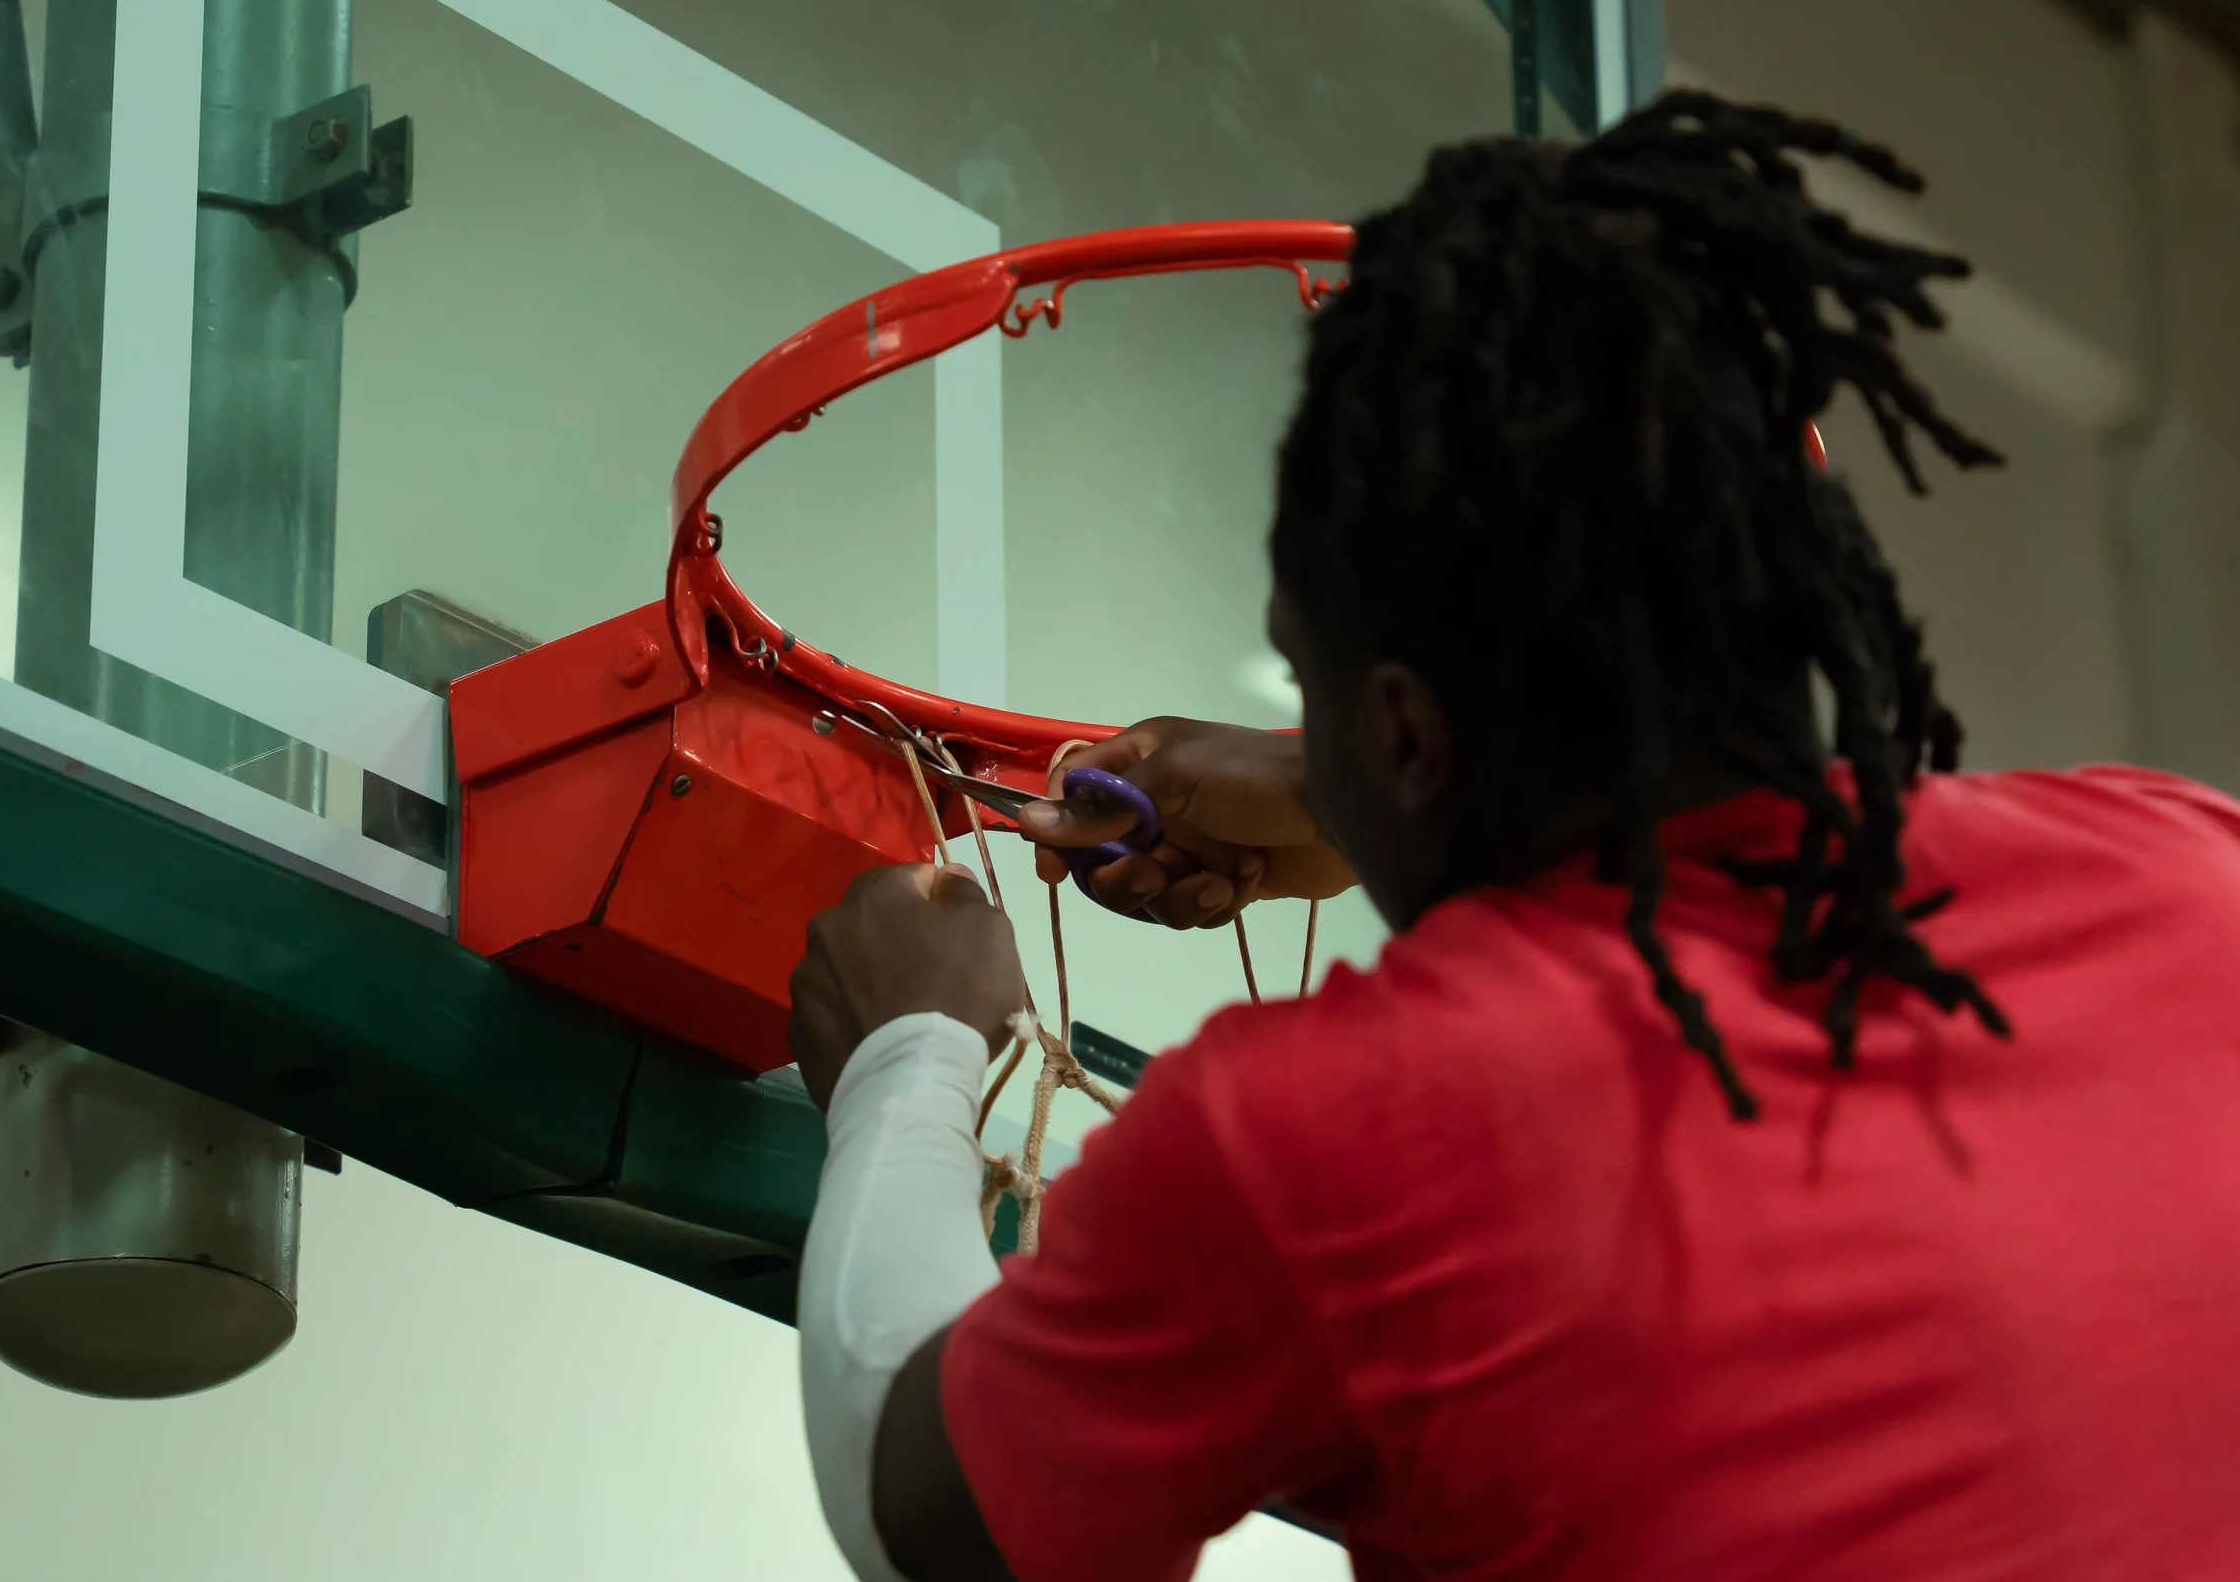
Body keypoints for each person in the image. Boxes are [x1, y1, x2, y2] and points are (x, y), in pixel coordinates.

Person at [785, 93, 2240, 1582]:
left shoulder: (1344, 1134)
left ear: (1413, 733)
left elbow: (930, 1525)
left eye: (1313, 682)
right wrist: (1354, 790)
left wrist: (910, 1057)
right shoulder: (2192, 870)